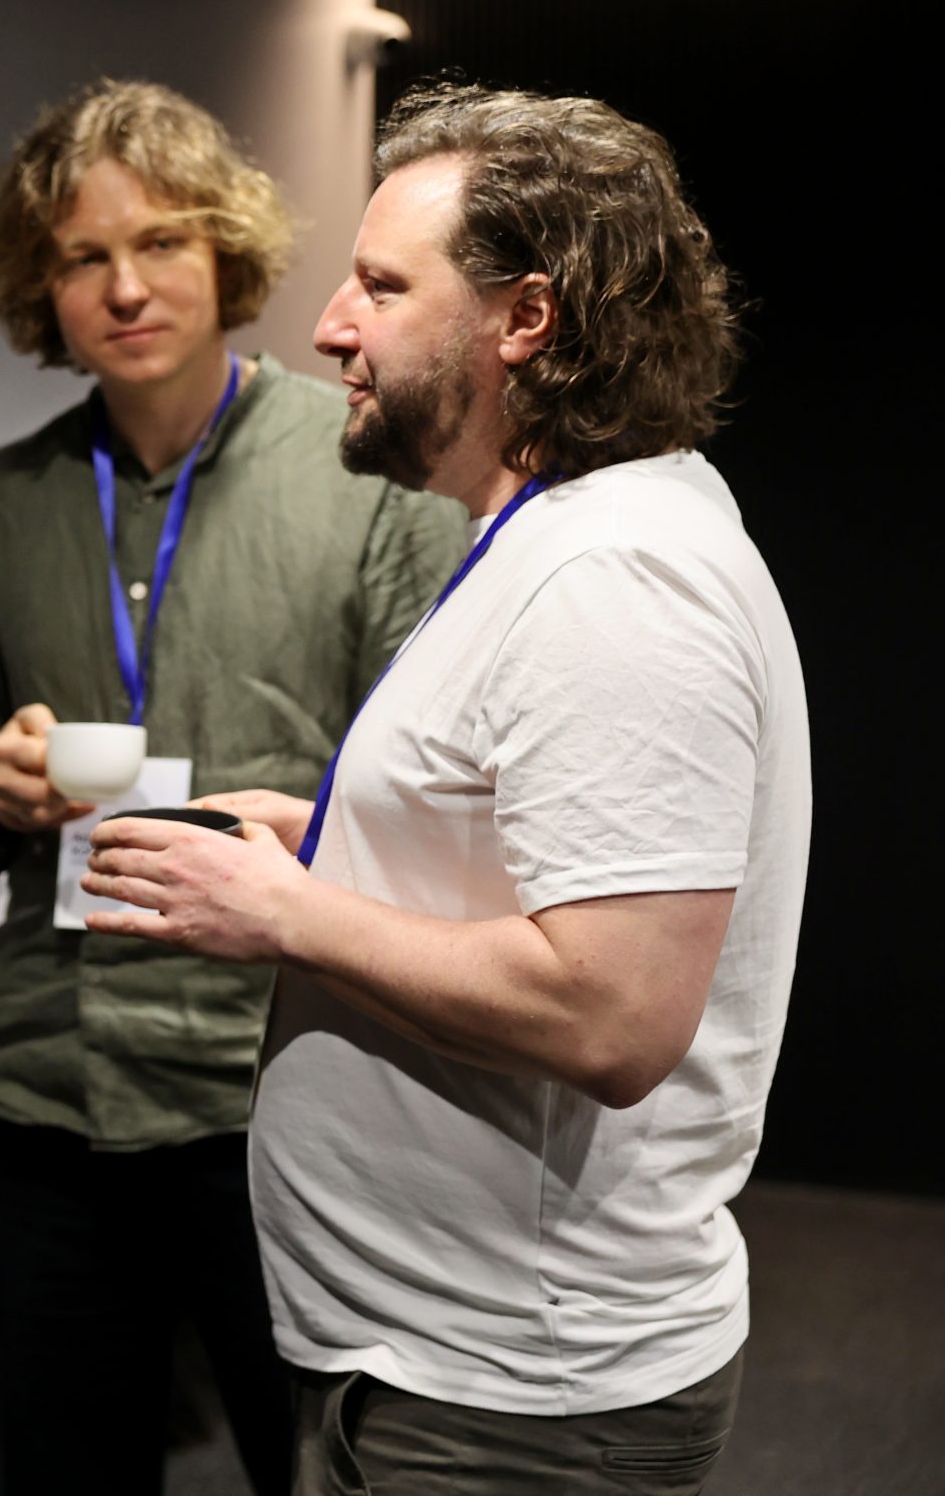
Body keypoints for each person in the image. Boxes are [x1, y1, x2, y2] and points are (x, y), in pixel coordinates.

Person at [84, 83, 802, 1493]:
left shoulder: (613, 577)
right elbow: (532, 858)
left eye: (380, 285)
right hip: (448, 1368)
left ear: (523, 319)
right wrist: (333, 841)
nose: (327, 326)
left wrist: (287, 913)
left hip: (509, 1398)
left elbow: (614, 1012)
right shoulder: (558, 535)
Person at [0, 79, 463, 1495]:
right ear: (41, 289)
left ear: (225, 250)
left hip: (274, 1076)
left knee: (318, 1469)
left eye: (159, 241)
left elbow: (433, 787)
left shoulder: (363, 474)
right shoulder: (5, 503)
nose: (124, 286)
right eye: (82, 257)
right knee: (62, 1471)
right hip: (50, 1080)